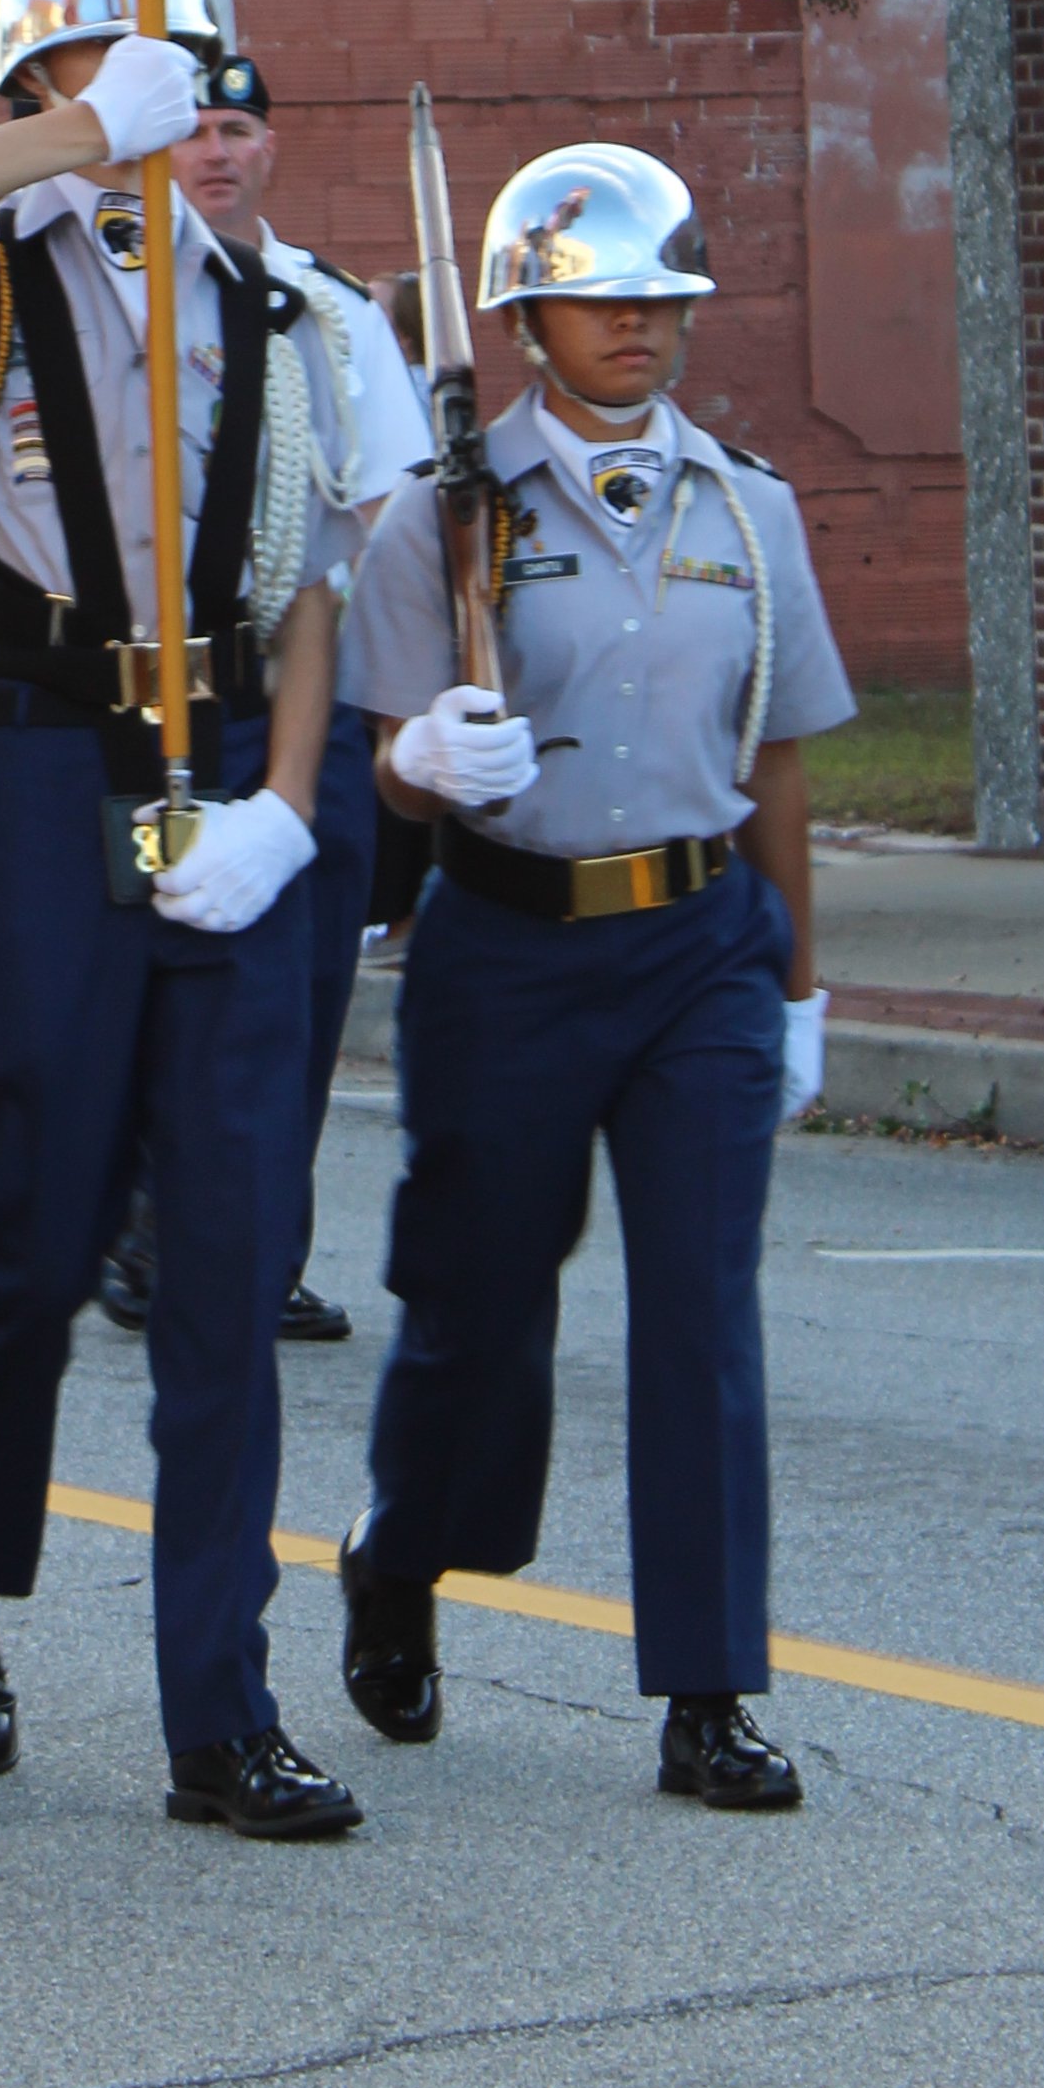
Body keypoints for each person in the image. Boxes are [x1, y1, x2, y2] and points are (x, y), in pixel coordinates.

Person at [0, 0, 366, 1842]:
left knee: (224, 1252)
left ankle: (221, 1701)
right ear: (42, 84)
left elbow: (303, 573)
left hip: (219, 773)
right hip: (42, 757)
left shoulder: (273, 301)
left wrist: (290, 805)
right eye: (118, 69)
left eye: (183, 69)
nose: (173, 105)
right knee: (35, 1235)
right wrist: (70, 143)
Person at [335, 138, 850, 1813]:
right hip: (506, 940)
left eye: (664, 293)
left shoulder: (750, 506)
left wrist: (799, 985)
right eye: (602, 293)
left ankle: (707, 1686)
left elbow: (774, 758)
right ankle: (405, 1547)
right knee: (477, 1298)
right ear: (525, 314)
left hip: (699, 943)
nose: (641, 320)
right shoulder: (444, 511)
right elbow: (387, 758)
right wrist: (424, 754)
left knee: (703, 1312)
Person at [117, 47, 424, 1347]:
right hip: (160, 690)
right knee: (156, 967)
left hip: (310, 690)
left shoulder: (332, 315)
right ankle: (147, 1228)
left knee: (301, 988)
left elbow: (395, 512)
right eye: (192, 132)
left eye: (239, 128)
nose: (218, 152)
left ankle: (261, 1250)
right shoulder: (115, 301)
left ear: (270, 151)